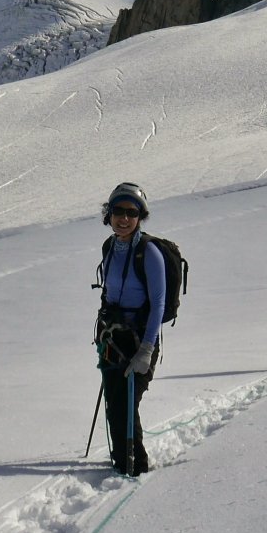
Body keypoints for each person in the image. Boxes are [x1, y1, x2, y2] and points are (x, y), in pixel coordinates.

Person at [95, 181, 164, 475]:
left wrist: (147, 349)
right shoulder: (110, 246)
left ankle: (135, 466)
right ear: (109, 214)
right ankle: (122, 459)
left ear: (140, 217)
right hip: (113, 336)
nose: (124, 218)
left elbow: (158, 303)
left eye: (131, 213)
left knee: (126, 403)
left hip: (139, 339)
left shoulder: (149, 252)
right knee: (114, 399)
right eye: (118, 211)